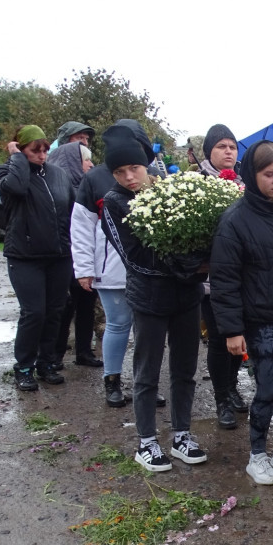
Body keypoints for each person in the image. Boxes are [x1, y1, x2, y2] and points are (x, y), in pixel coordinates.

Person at [101, 124, 206, 472]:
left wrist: (197, 264)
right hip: (148, 298)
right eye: (120, 171)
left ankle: (181, 434)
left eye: (134, 168)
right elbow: (131, 256)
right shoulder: (114, 203)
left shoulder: (169, 191)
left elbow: (196, 234)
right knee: (147, 371)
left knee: (185, 369)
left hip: (186, 296)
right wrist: (178, 265)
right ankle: (146, 440)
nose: (129, 177)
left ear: (146, 164)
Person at [211, 141, 273, 486]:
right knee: (266, 387)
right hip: (259, 320)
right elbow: (224, 279)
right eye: (269, 175)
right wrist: (232, 330)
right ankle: (257, 455)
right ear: (253, 176)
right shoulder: (235, 221)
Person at [72, 119, 165, 408]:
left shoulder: (153, 177)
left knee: (146, 330)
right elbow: (81, 225)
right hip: (111, 269)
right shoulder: (97, 178)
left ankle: (144, 383)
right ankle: (112, 381)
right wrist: (84, 268)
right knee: (117, 324)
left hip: (150, 270)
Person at [0, 125, 76, 391]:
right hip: (25, 256)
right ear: (19, 147)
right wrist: (16, 157)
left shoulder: (58, 174)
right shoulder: (6, 172)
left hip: (59, 254)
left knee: (55, 311)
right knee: (34, 313)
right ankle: (24, 367)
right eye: (34, 150)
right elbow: (16, 189)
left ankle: (46, 363)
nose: (42, 156)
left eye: (44, 150)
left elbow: (71, 208)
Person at [199, 123, 246, 428]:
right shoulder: (197, 183)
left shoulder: (244, 181)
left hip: (243, 276)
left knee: (240, 338)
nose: (228, 152)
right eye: (221, 147)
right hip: (211, 277)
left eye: (232, 146)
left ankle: (232, 387)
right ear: (209, 152)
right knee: (219, 338)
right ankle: (221, 399)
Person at [48, 142, 101, 368]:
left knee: (86, 304)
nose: (90, 163)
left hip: (86, 255)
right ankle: (55, 355)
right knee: (64, 305)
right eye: (85, 160)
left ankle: (84, 351)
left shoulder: (88, 186)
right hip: (65, 255)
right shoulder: (57, 185)